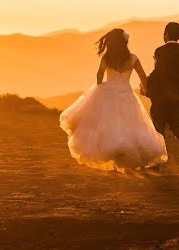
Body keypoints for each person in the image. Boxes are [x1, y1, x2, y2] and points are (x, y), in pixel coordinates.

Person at [59, 28, 167, 172]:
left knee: (108, 124)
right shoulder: (133, 58)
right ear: (125, 41)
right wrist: (145, 90)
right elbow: (142, 76)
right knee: (131, 124)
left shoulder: (106, 58)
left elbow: (99, 75)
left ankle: (114, 153)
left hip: (109, 92)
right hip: (126, 93)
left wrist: (100, 87)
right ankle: (132, 156)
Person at [146, 22, 179, 169]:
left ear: (166, 34)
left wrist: (147, 84)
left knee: (158, 128)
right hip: (177, 97)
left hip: (160, 97)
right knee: (177, 126)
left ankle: (156, 162)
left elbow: (159, 72)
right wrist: (178, 87)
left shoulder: (160, 51)